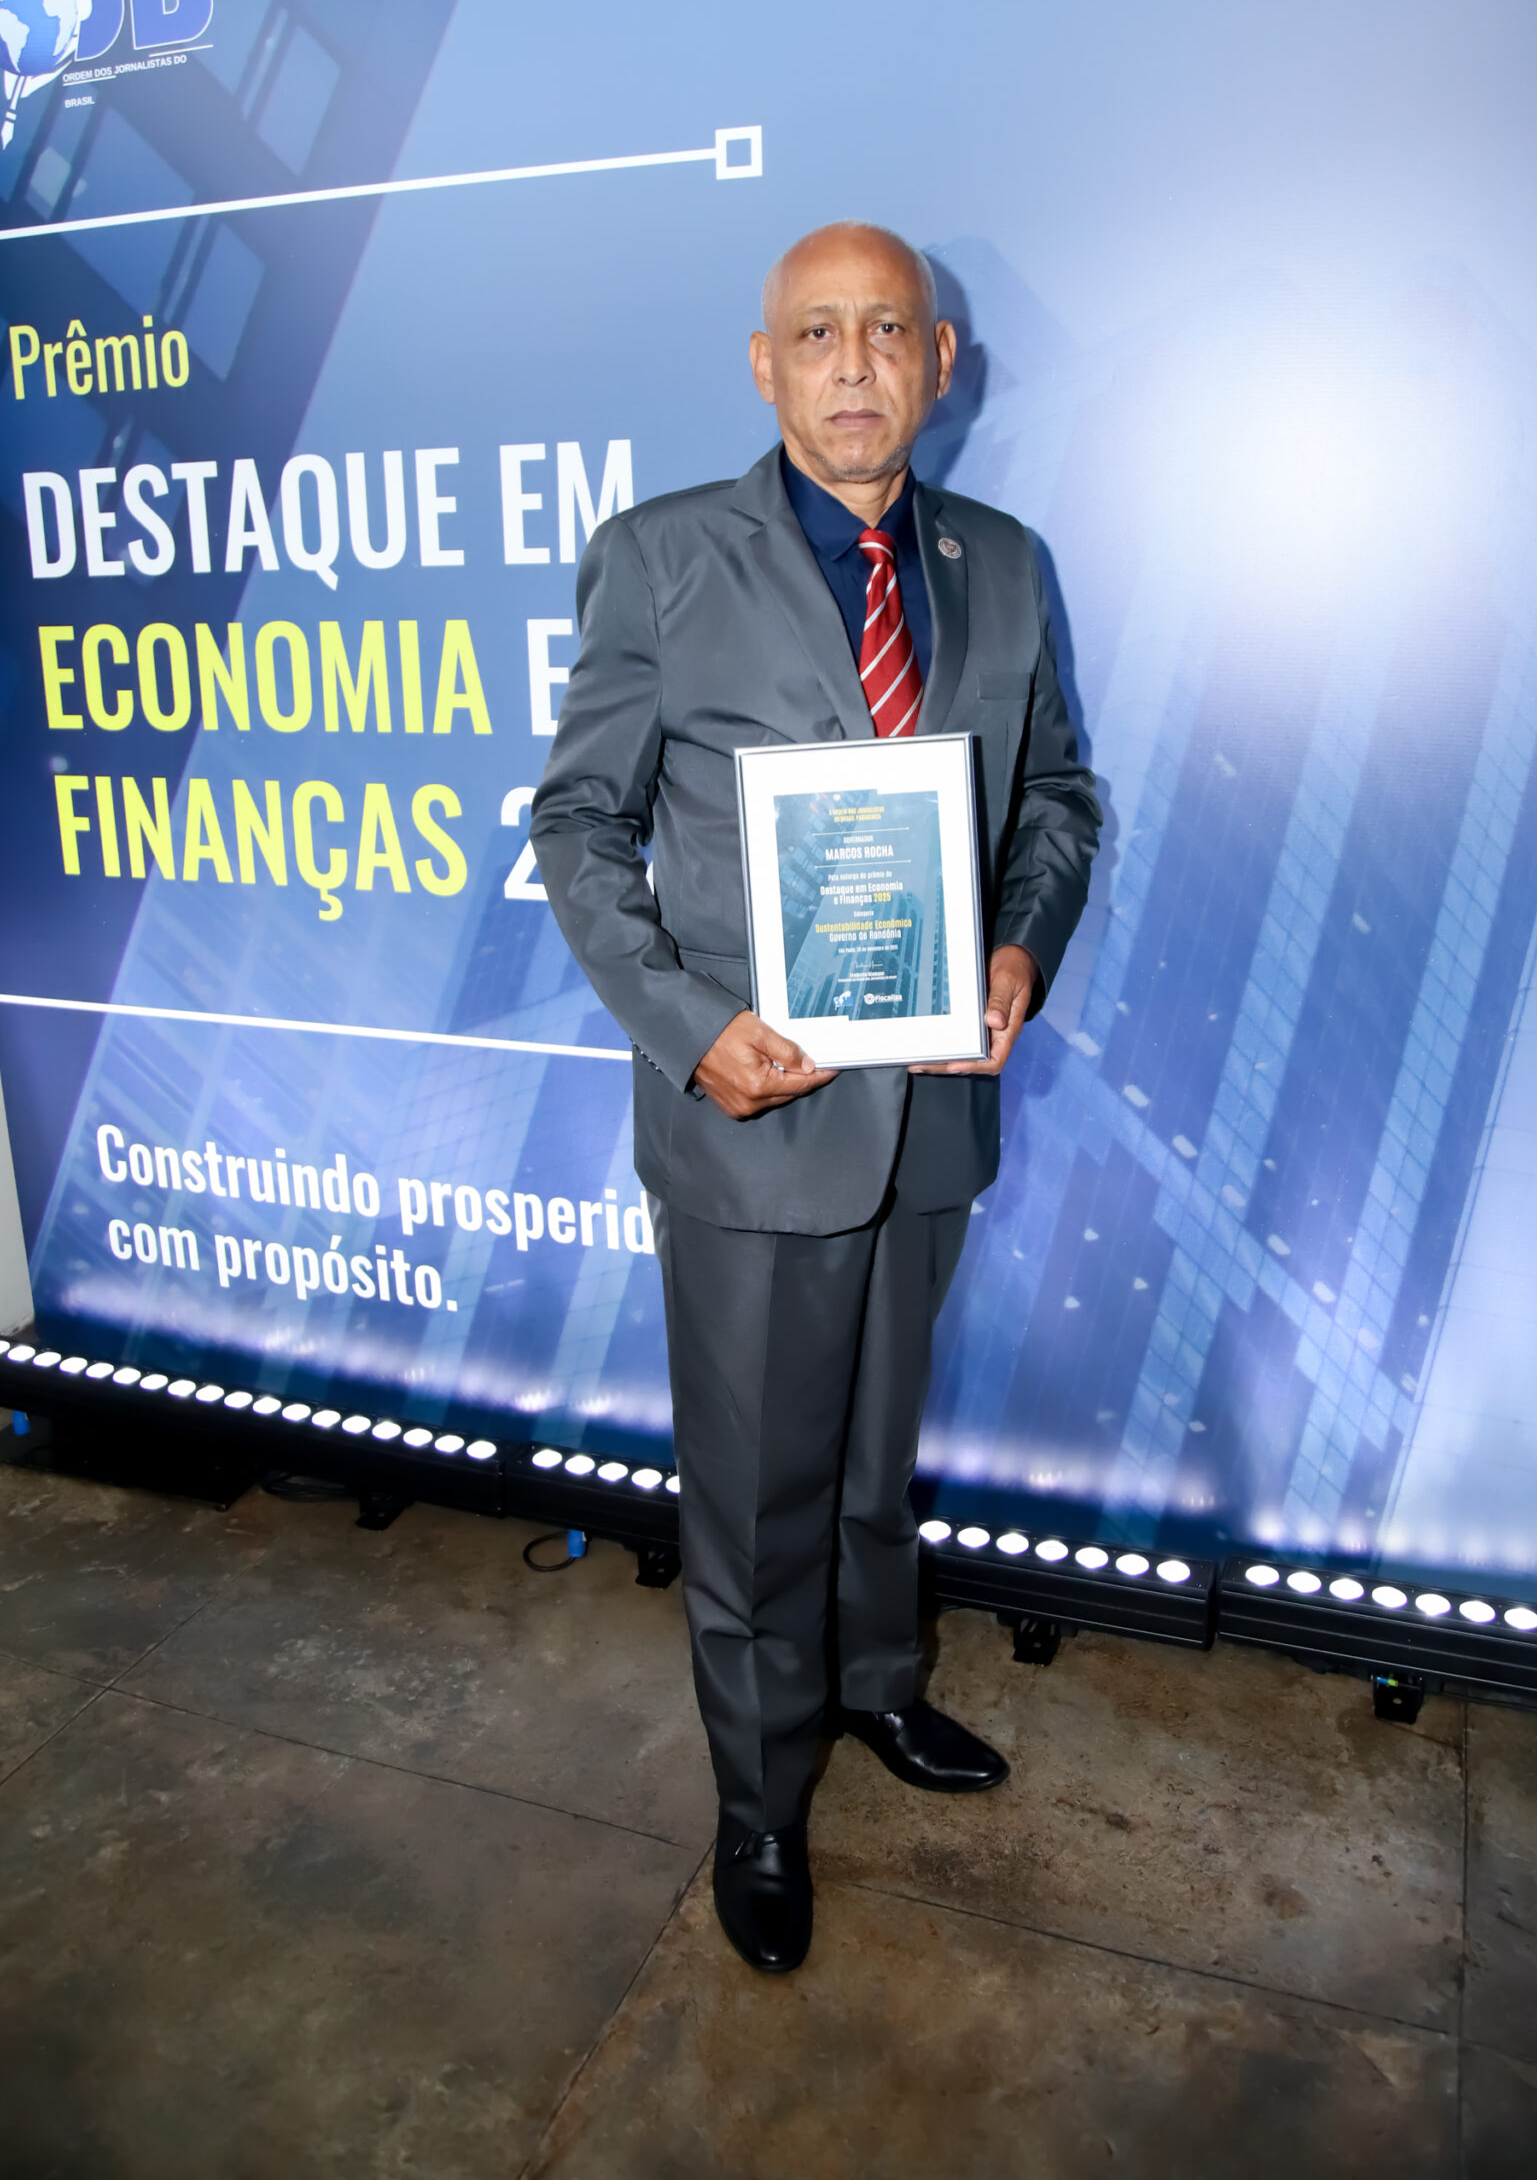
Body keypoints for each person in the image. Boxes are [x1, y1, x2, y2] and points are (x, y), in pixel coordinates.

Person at [531, 223, 1100, 1973]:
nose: (855, 365)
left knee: (873, 1459)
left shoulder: (1005, 564)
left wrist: (1018, 949)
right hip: (753, 1120)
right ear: (764, 363)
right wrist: (688, 1025)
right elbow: (578, 826)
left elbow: (1058, 798)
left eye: (888, 332)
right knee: (760, 1489)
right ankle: (763, 1799)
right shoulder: (660, 561)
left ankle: (874, 1687)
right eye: (818, 335)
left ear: (941, 362)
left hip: (931, 1115)